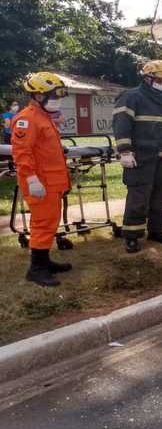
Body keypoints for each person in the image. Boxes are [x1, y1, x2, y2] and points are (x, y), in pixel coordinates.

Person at [113, 59, 162, 254]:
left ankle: (156, 231)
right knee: (139, 197)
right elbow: (121, 124)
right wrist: (125, 150)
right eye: (159, 79)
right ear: (147, 78)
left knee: (161, 196)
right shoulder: (131, 96)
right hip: (140, 157)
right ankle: (132, 236)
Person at [11, 73, 72, 286]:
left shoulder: (44, 116)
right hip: (39, 182)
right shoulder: (27, 119)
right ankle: (36, 269)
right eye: (53, 95)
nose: (58, 98)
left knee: (50, 222)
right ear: (37, 96)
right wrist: (31, 179)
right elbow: (22, 153)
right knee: (42, 224)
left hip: (51, 182)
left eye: (60, 94)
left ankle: (44, 262)